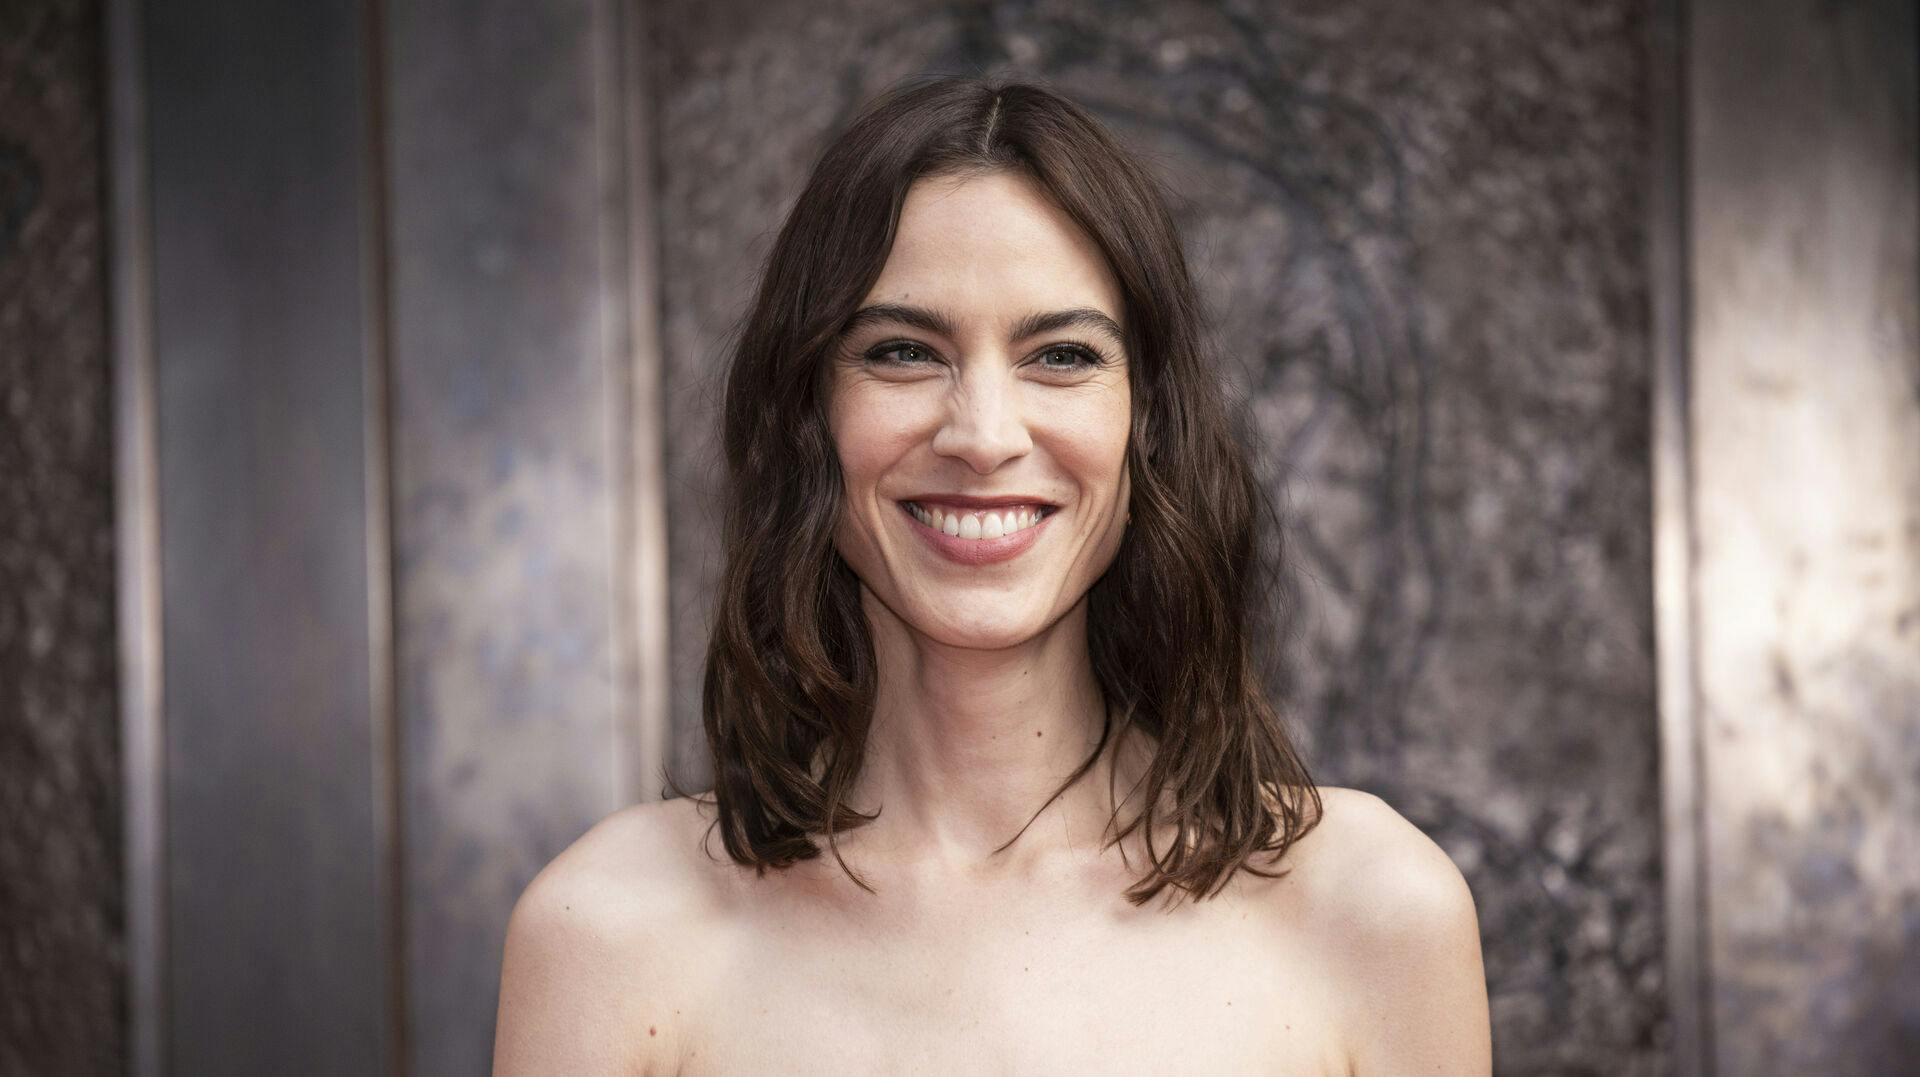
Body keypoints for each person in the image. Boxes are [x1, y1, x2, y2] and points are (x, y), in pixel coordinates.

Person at [492, 76, 1490, 1075]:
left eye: (1060, 355)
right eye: (901, 352)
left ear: (1150, 425)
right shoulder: (611, 936)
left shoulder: (1371, 910)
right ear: (806, 418)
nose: (982, 436)